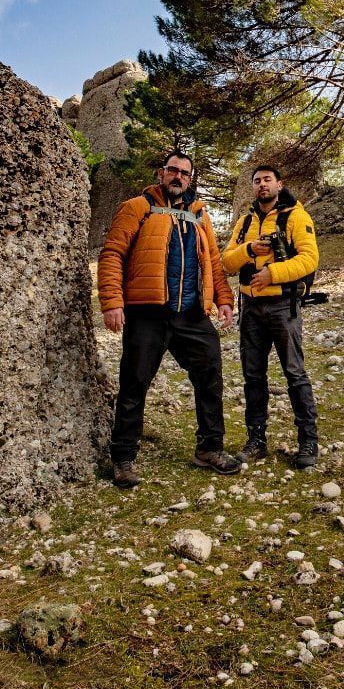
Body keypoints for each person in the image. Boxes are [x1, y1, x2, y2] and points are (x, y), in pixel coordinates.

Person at [97, 151, 242, 489]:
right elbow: (112, 254)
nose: (178, 177)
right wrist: (112, 302)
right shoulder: (137, 207)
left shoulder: (199, 214)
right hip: (147, 313)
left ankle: (209, 449)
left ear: (191, 179)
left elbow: (214, 263)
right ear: (161, 173)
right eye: (173, 171)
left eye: (185, 173)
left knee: (210, 378)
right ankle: (123, 457)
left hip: (192, 315)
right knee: (134, 384)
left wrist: (223, 300)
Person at [222, 165, 321, 469]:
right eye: (257, 181)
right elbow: (226, 262)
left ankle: (308, 441)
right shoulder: (244, 222)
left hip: (283, 306)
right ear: (252, 187)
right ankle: (256, 441)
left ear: (279, 183)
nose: (262, 185)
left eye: (267, 180)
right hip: (250, 310)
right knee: (253, 376)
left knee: (294, 373)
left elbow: (309, 258)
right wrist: (249, 249)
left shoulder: (296, 216)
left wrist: (272, 274)